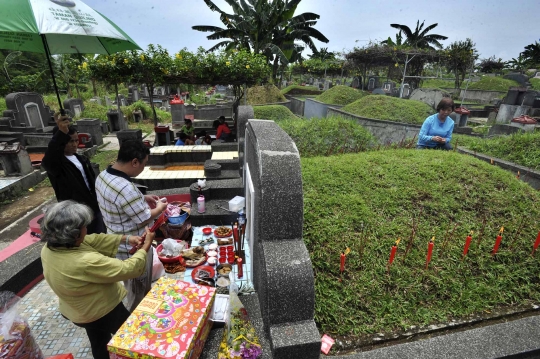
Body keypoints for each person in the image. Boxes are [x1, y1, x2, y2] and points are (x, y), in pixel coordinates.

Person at [40, 200, 155, 359]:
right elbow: (128, 269)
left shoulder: (50, 247)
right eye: (84, 227)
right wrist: (145, 247)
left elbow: (91, 240)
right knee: (131, 337)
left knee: (99, 341)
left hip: (78, 310)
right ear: (74, 234)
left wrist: (126, 239)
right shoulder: (84, 261)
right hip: (100, 311)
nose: (87, 230)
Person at [95, 139, 168, 311]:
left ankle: (143, 310)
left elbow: (118, 200)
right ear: (134, 162)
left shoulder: (104, 175)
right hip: (134, 246)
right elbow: (143, 218)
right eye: (143, 164)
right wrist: (160, 208)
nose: (144, 168)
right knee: (137, 289)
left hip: (118, 241)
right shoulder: (126, 188)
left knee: (134, 285)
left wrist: (142, 198)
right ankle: (137, 322)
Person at [41, 112, 106, 234]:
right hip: (76, 213)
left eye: (76, 140)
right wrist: (61, 133)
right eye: (70, 141)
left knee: (100, 237)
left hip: (93, 207)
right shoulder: (56, 164)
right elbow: (50, 155)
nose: (75, 144)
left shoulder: (81, 159)